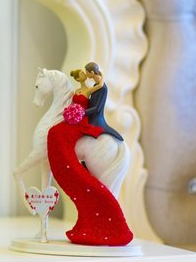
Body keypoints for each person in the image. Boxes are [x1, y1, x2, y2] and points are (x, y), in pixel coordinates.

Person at [45, 65, 133, 246]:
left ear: (92, 74)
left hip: (85, 119)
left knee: (57, 132)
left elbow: (97, 107)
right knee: (56, 130)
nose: (84, 77)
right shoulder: (83, 88)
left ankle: (64, 157)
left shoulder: (98, 88)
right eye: (82, 75)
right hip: (77, 117)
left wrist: (79, 113)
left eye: (87, 74)